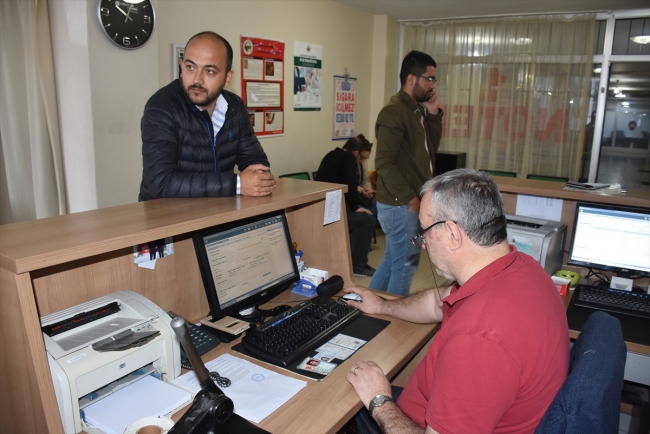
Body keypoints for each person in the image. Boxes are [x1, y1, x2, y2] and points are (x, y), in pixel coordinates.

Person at [344, 169, 570, 434]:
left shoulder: (479, 339)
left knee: (340, 410)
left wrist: (378, 401)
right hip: (438, 410)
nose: (423, 244)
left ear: (452, 234)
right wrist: (381, 305)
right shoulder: (523, 267)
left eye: (425, 231)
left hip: (415, 425)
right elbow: (437, 302)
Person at [139, 31, 275, 201]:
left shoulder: (234, 107)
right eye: (190, 67)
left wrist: (257, 177)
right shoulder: (162, 107)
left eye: (209, 71)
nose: (197, 79)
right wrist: (237, 184)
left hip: (218, 211)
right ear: (181, 67)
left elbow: (255, 161)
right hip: (167, 215)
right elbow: (159, 183)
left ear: (227, 78)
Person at [369, 50, 444, 296]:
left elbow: (430, 149)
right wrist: (411, 199)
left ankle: (369, 308)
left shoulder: (415, 110)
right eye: (429, 79)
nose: (433, 85)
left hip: (404, 202)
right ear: (412, 79)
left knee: (392, 262)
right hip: (400, 204)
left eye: (434, 79)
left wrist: (433, 114)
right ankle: (392, 315)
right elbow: (384, 162)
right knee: (406, 266)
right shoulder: (395, 111)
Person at [315, 134, 376, 277]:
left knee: (361, 217)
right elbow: (349, 184)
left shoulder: (332, 154)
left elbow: (340, 182)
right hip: (329, 213)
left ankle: (351, 260)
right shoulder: (348, 158)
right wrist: (356, 208)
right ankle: (358, 266)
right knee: (367, 219)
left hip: (320, 209)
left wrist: (356, 188)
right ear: (356, 152)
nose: (362, 161)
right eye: (362, 158)